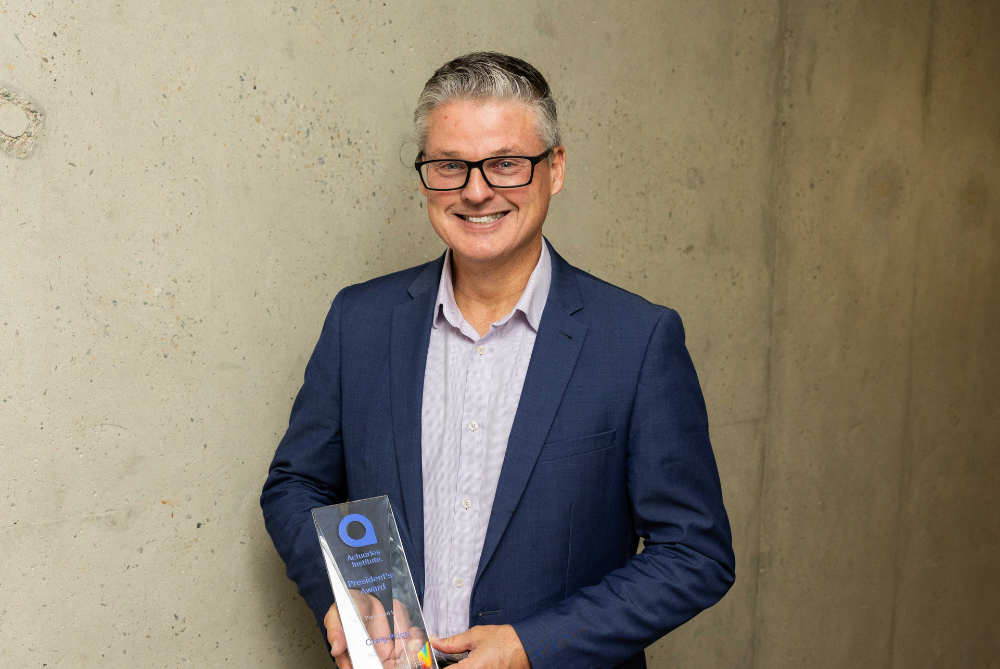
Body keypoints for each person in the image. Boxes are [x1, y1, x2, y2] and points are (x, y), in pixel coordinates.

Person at [261, 52, 735, 669]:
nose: (476, 191)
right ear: (424, 175)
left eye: (506, 164)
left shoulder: (637, 340)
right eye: (450, 166)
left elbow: (695, 553)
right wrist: (342, 599)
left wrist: (531, 648)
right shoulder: (361, 322)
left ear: (554, 168)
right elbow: (298, 484)